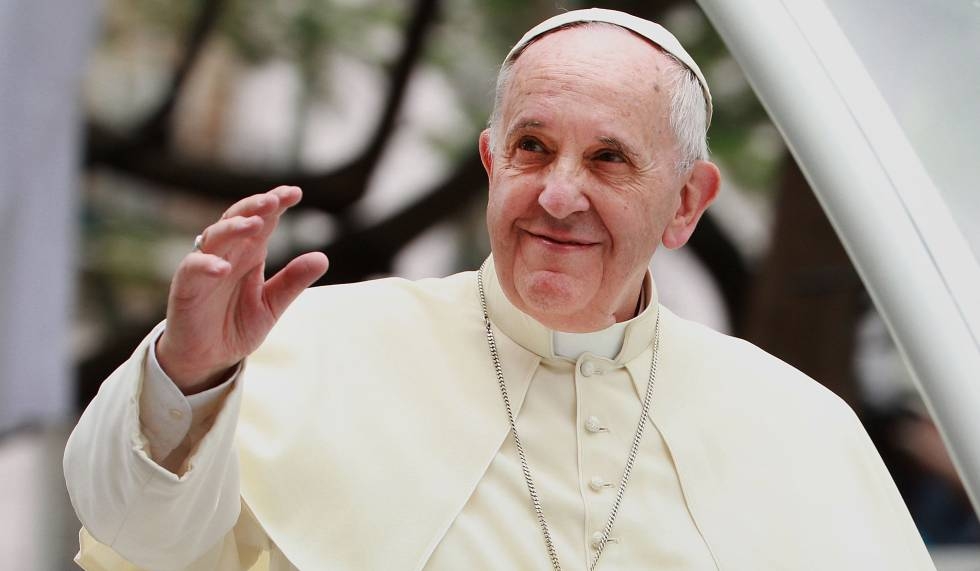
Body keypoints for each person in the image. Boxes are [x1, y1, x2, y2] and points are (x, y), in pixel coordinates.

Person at [64, 8, 936, 571]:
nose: (558, 194)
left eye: (607, 158)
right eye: (531, 147)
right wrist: (188, 379)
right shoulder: (300, 348)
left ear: (686, 203)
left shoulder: (802, 425)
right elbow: (141, 542)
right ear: (490, 162)